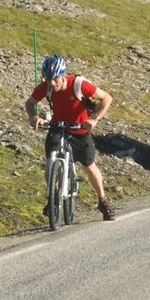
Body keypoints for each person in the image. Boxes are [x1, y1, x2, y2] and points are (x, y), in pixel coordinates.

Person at [25, 54, 116, 221]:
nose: (52, 83)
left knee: (89, 166)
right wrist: (33, 117)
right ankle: (54, 197)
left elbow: (106, 98)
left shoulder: (79, 84)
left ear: (63, 75)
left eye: (55, 79)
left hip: (80, 129)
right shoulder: (45, 87)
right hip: (57, 127)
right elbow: (30, 103)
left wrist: (94, 119)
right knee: (51, 163)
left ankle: (103, 200)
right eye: (47, 79)